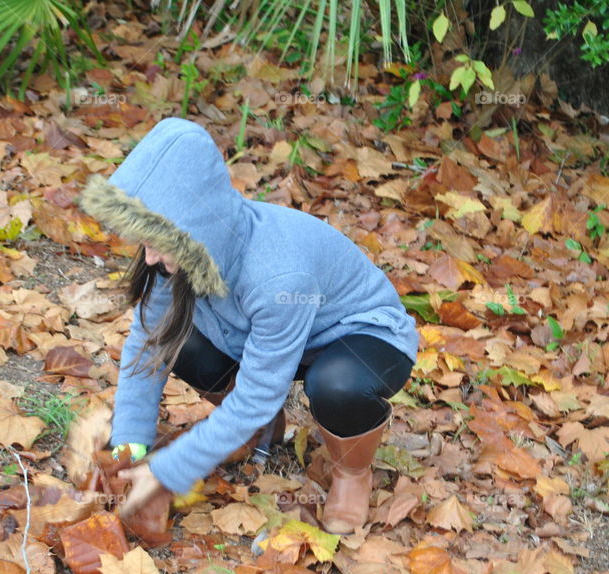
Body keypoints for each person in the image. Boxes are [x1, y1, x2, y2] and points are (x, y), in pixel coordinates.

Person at [79, 117, 418, 534]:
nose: (148, 257)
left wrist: (168, 473)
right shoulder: (189, 251)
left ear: (192, 228)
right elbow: (148, 343)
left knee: (336, 385)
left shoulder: (277, 275)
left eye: (156, 241)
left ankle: (352, 474)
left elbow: (257, 393)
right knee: (178, 341)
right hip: (272, 341)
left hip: (360, 338)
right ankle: (260, 432)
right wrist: (129, 445)